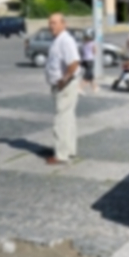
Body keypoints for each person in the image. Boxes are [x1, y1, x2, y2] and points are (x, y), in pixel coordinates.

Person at [44, 13, 80, 165]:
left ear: (63, 24)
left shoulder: (65, 40)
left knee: (61, 119)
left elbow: (74, 63)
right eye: (50, 23)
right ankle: (69, 150)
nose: (51, 26)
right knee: (68, 118)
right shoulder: (58, 40)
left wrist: (63, 80)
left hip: (65, 86)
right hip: (62, 84)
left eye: (54, 23)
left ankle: (61, 154)